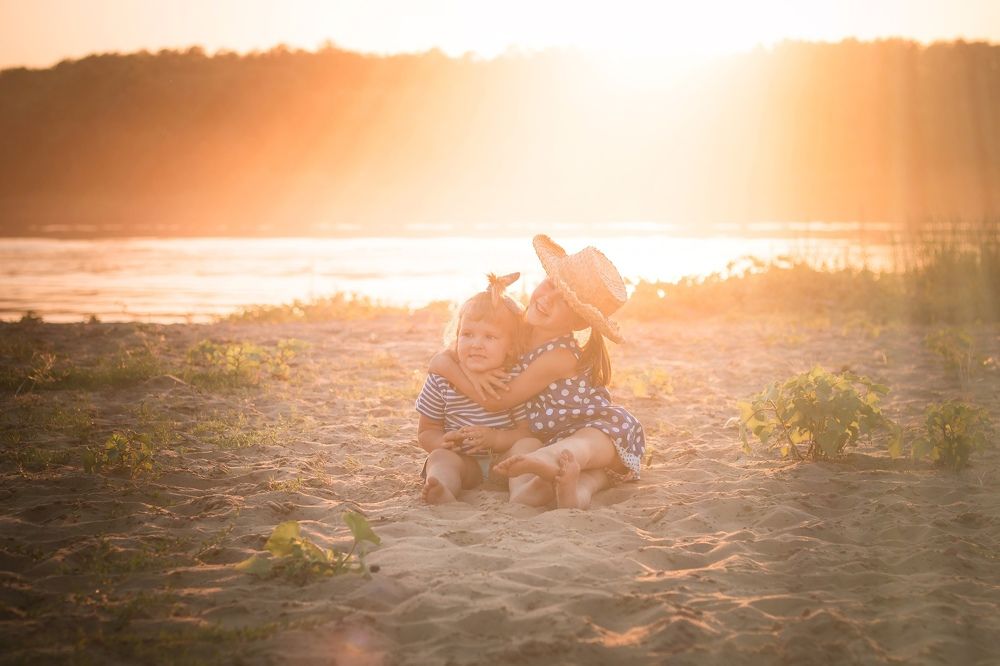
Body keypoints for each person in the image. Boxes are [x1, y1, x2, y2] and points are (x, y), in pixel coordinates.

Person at [429, 235, 645, 509]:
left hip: (599, 431)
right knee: (561, 468)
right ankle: (538, 492)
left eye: (565, 301)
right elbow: (453, 350)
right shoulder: (520, 324)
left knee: (580, 447)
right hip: (544, 440)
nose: (548, 299)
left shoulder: (560, 356)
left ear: (579, 321)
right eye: (551, 284)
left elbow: (498, 400)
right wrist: (466, 368)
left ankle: (549, 461)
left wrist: (459, 373)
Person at [416, 273, 531, 504]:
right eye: (467, 334)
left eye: (490, 337)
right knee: (439, 458)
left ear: (510, 346)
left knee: (529, 446)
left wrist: (496, 438)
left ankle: (523, 492)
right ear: (457, 336)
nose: (476, 344)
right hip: (463, 461)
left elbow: (526, 431)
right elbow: (426, 431)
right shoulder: (442, 380)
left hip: (505, 462)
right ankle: (442, 488)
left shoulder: (514, 378)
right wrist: (443, 442)